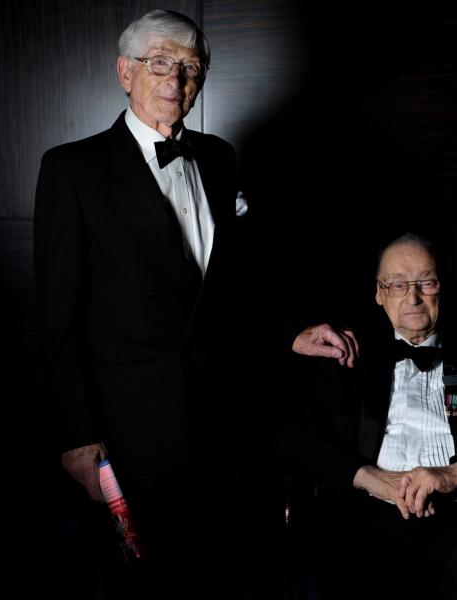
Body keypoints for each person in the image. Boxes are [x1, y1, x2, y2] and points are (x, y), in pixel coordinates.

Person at [34, 9, 355, 596]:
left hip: (228, 420)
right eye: (160, 63)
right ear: (124, 72)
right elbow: (57, 321)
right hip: (133, 429)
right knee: (148, 586)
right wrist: (76, 438)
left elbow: (234, 290)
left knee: (235, 577)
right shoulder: (70, 170)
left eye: (190, 68)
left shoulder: (220, 157)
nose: (175, 81)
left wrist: (289, 333)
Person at [277, 233, 457, 600]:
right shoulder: (348, 355)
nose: (412, 298)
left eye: (425, 282)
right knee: (342, 556)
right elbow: (294, 436)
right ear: (379, 293)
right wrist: (370, 478)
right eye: (398, 285)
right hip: (370, 517)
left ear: (442, 287)